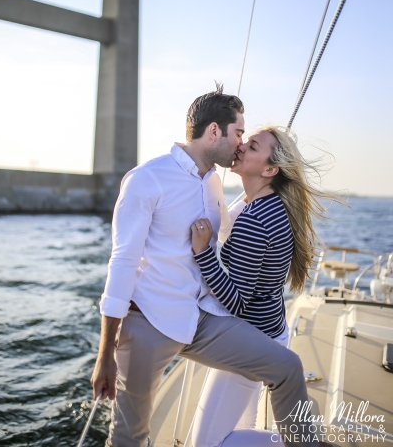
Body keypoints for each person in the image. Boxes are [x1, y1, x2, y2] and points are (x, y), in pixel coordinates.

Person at [90, 85, 324, 447]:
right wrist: (104, 354)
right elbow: (121, 264)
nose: (241, 143)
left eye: (246, 138)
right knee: (129, 437)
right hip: (152, 322)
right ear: (214, 132)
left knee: (286, 366)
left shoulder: (213, 182)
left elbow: (224, 228)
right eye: (239, 133)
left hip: (201, 319)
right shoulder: (147, 180)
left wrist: (255, 200)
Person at [190, 125, 339, 447]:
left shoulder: (256, 220)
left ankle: (305, 443)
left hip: (250, 340)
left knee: (208, 443)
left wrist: (203, 252)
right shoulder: (267, 206)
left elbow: (236, 301)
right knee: (244, 426)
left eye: (253, 146)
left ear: (271, 169)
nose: (240, 145)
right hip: (269, 332)